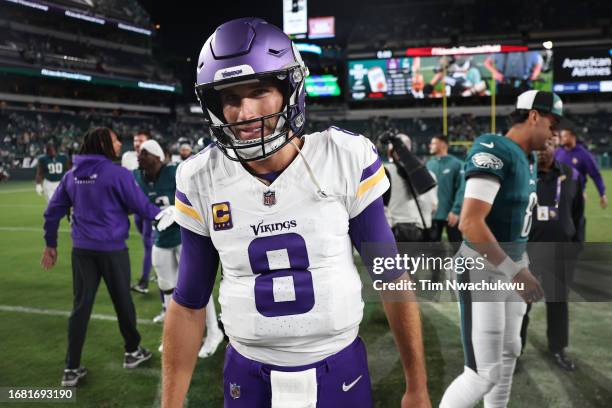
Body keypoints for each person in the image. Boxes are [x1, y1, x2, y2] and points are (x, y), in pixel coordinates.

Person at [162, 18, 430, 407]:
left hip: (338, 368)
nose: (243, 111)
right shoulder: (201, 177)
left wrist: (417, 388)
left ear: (291, 90)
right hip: (248, 374)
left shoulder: (343, 157)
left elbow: (390, 277)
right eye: (230, 98)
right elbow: (188, 303)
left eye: (259, 91)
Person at [440, 90, 562, 408]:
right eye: (553, 122)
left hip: (511, 263)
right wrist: (516, 271)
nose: (555, 132)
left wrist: (521, 264)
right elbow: (470, 222)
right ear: (534, 115)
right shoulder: (494, 147)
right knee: (482, 373)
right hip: (483, 268)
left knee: (509, 352)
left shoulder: (529, 158)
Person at [41, 127, 174, 387]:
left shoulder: (71, 175)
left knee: (80, 308)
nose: (118, 144)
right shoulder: (117, 174)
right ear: (103, 143)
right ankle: (133, 351)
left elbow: (52, 212)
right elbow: (142, 206)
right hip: (112, 250)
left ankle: (71, 368)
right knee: (123, 302)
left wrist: (50, 244)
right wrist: (166, 215)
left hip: (82, 252)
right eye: (114, 140)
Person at [134, 140, 224, 358]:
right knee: (166, 287)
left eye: (144, 153)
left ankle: (213, 332)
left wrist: (177, 209)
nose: (139, 156)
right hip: (161, 238)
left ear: (157, 157)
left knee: (197, 287)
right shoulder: (138, 176)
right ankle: (174, 335)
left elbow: (198, 192)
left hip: (185, 236)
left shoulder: (175, 171)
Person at [520, 138, 584, 371]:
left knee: (558, 303)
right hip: (529, 251)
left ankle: (558, 349)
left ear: (554, 147)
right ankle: (515, 352)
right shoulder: (524, 174)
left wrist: (577, 245)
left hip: (560, 251)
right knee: (522, 304)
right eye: (537, 146)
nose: (541, 150)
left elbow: (578, 213)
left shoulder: (571, 174)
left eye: (547, 145)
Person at [383, 133, 438, 242]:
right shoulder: (429, 174)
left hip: (396, 231)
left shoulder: (384, 172)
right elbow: (433, 207)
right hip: (424, 230)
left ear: (390, 152)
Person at [123, 130, 155, 294]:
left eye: (141, 140)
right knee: (148, 243)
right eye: (135, 140)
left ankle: (144, 282)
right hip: (136, 209)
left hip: (148, 206)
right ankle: (158, 269)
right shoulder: (127, 157)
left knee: (149, 243)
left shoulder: (152, 156)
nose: (137, 143)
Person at [555, 125, 607, 209]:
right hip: (558, 194)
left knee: (575, 221)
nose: (562, 138)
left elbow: (595, 175)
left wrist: (602, 194)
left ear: (572, 137)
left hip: (577, 196)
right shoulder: (558, 152)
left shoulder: (584, 155)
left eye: (565, 136)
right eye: (561, 136)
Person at [426, 135, 464, 243]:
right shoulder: (429, 164)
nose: (430, 146)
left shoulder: (456, 164)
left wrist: (456, 211)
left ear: (442, 144)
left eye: (433, 143)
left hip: (451, 214)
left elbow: (461, 189)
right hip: (433, 215)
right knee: (433, 252)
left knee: (457, 249)